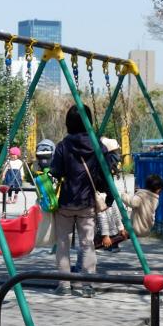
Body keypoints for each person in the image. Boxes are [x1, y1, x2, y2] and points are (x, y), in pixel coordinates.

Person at [49, 104, 106, 298]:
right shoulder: (96, 144)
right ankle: (88, 284)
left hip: (66, 201)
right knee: (87, 243)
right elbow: (108, 162)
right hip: (87, 201)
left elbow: (55, 171)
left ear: (68, 123)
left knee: (63, 244)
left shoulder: (63, 145)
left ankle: (64, 284)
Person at [120, 173, 163, 237]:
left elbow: (132, 202)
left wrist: (123, 195)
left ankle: (125, 233)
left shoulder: (141, 196)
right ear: (158, 189)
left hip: (138, 228)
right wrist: (138, 192)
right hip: (147, 227)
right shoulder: (155, 199)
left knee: (123, 227)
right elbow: (143, 201)